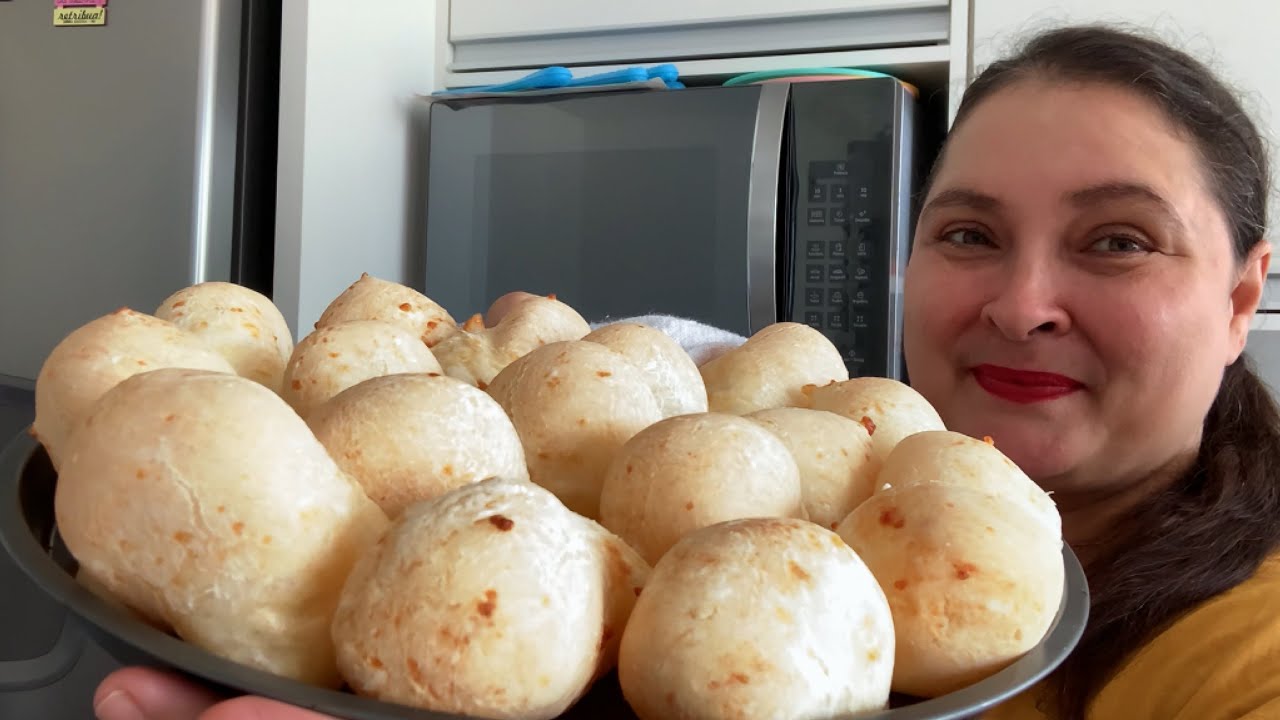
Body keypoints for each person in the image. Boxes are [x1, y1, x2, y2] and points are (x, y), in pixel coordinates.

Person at [90, 22, 1280, 720]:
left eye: (1116, 241)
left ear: (1240, 295)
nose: (1020, 306)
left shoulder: (1246, 653)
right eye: (967, 233)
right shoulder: (812, 501)